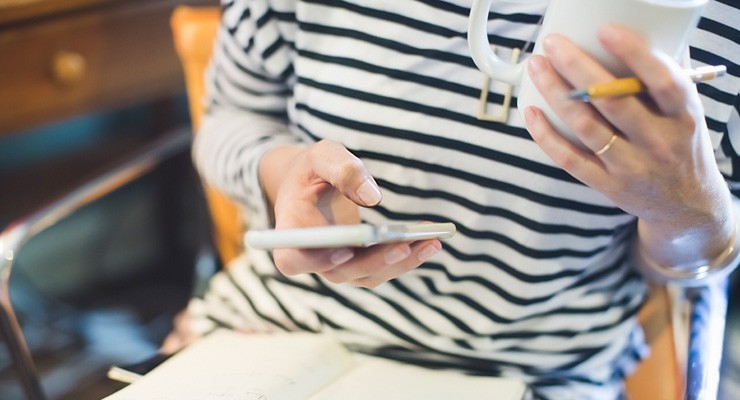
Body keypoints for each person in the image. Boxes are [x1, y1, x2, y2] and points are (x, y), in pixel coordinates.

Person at [172, 1, 739, 398]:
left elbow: (687, 267)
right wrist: (281, 172)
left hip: (537, 372)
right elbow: (231, 118)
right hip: (269, 334)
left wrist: (689, 210)